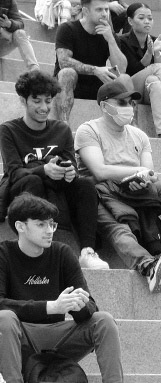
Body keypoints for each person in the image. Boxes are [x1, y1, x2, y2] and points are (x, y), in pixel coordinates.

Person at [0, 194, 150, 383]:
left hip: (57, 339)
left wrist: (78, 305)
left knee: (103, 321)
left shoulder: (62, 253)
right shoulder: (4, 254)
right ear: (20, 226)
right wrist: (51, 307)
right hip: (17, 338)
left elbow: (91, 307)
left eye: (52, 224)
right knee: (4, 318)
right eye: (41, 224)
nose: (49, 230)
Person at [76, 78, 161, 288]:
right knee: (119, 227)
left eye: (131, 103)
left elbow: (150, 173)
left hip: (136, 190)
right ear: (104, 106)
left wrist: (142, 179)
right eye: (122, 103)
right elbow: (99, 170)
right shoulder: (88, 131)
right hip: (101, 192)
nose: (129, 108)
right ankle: (148, 265)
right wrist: (138, 172)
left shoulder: (140, 135)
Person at [1, 71, 109, 272]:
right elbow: (14, 172)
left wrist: (69, 173)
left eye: (48, 101)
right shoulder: (9, 130)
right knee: (32, 180)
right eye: (37, 101)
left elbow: (71, 165)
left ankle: (87, 251)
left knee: (85, 183)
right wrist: (44, 170)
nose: (44, 108)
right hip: (23, 189)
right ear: (23, 101)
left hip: (56, 185)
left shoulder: (61, 129)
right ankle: (41, 249)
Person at [114, 3, 161, 139]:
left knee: (154, 81)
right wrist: (150, 52)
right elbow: (131, 70)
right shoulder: (122, 41)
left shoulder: (155, 40)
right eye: (142, 18)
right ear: (130, 21)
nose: (147, 22)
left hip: (147, 90)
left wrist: (156, 54)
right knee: (156, 69)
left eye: (150, 18)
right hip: (129, 88)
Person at [53, 0, 126, 125]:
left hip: (96, 86)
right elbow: (64, 62)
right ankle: (63, 127)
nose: (104, 14)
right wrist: (95, 70)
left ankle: (126, 129)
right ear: (85, 11)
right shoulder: (67, 29)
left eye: (106, 9)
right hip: (70, 84)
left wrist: (111, 40)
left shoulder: (108, 34)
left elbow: (121, 68)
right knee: (67, 73)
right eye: (99, 10)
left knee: (124, 79)